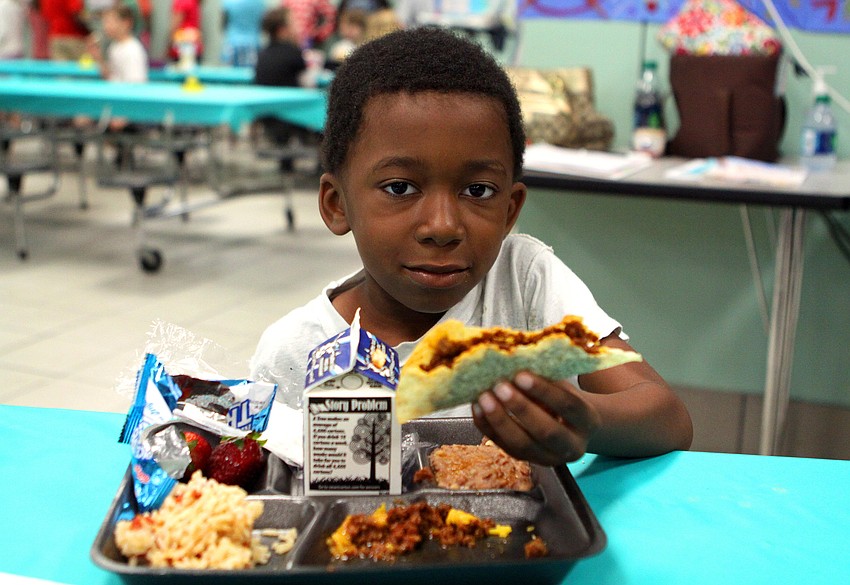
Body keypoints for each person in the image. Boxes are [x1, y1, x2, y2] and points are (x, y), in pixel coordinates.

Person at [250, 27, 693, 465]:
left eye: (478, 191)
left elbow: (668, 417)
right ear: (336, 204)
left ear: (510, 209)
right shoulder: (294, 352)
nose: (442, 227)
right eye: (400, 187)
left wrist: (589, 419)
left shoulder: (523, 280)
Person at [87, 4, 147, 83]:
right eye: (104, 22)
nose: (106, 26)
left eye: (110, 21)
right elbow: (112, 77)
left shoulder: (132, 50)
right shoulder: (114, 46)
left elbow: (136, 84)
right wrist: (99, 59)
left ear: (126, 23)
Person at [221, 0, 264, 66]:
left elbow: (223, 24)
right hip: (254, 43)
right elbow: (262, 24)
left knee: (231, 73)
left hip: (233, 43)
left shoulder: (229, 2)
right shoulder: (259, 2)